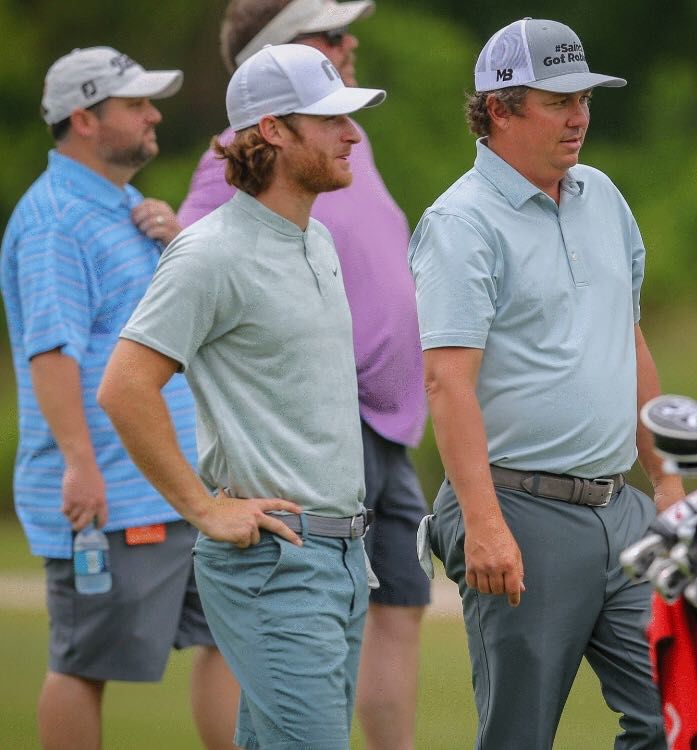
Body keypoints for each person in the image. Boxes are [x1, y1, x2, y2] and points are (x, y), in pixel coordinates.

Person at [98, 44, 386, 749]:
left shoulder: (315, 240)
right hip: (274, 564)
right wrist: (203, 508)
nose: (352, 136)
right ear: (273, 131)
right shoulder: (208, 253)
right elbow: (124, 388)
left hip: (341, 559)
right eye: (329, 121)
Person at [409, 18, 683, 749]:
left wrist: (666, 477)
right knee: (519, 736)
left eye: (584, 99)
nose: (580, 116)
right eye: (558, 100)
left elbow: (627, 344)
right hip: (514, 511)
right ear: (499, 109)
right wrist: (484, 525)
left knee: (674, 717)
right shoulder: (460, 223)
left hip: (617, 510)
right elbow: (446, 384)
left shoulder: (602, 196)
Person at [178, 2, 430, 746]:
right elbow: (187, 287)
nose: (349, 42)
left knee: (399, 603)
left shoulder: (342, 144)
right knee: (257, 637)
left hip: (379, 429)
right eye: (329, 35)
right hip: (298, 434)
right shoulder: (234, 163)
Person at [0, 47, 237, 750]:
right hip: (110, 492)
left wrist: (175, 243)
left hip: (175, 482)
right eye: (135, 104)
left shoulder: (130, 209)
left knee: (230, 639)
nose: (153, 114)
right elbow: (51, 352)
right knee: (83, 664)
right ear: (85, 118)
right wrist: (80, 463)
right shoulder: (52, 221)